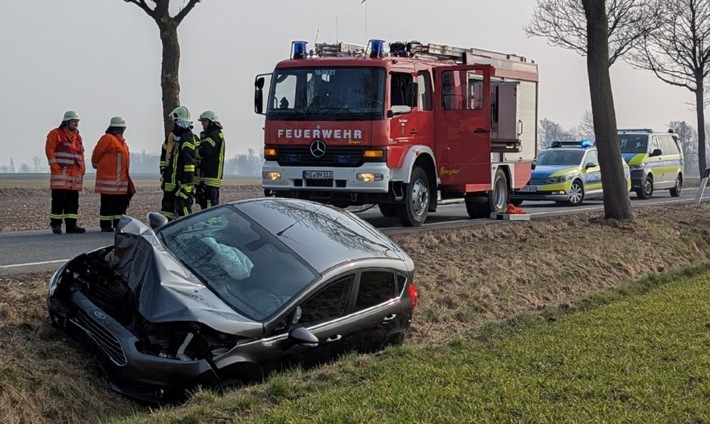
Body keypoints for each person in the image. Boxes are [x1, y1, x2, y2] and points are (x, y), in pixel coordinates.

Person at [45, 110, 86, 234]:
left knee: (73, 202)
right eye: (74, 121)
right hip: (61, 174)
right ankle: (56, 225)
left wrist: (82, 168)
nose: (76, 124)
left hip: (74, 176)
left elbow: (81, 153)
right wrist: (54, 166)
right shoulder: (55, 134)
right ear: (66, 122)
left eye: (77, 122)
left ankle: (71, 226)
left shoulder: (77, 137)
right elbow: (49, 150)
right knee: (58, 201)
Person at [91, 116, 134, 232]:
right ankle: (105, 226)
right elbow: (96, 156)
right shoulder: (108, 139)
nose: (121, 131)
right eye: (119, 128)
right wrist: (96, 165)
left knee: (119, 207)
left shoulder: (122, 143)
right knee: (107, 206)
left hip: (120, 182)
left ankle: (118, 225)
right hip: (108, 181)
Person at [160, 105, 197, 220]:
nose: (174, 125)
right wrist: (164, 173)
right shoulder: (173, 137)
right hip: (170, 180)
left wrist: (186, 182)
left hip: (181, 183)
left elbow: (189, 162)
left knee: (183, 208)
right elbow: (164, 156)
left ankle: (187, 230)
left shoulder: (187, 138)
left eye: (175, 122)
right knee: (167, 210)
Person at [195, 110, 226, 210]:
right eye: (202, 121)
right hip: (207, 176)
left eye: (204, 121)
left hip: (212, 175)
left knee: (210, 206)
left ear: (211, 122)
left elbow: (204, 152)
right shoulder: (210, 135)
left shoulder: (214, 136)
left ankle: (212, 224)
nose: (202, 124)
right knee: (205, 203)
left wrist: (193, 153)